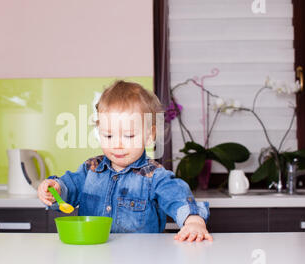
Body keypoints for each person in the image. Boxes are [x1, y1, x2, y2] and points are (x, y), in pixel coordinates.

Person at [37, 80, 213, 242]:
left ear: (149, 135)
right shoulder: (90, 169)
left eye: (128, 135)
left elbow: (177, 198)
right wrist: (56, 189)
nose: (117, 144)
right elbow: (69, 188)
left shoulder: (154, 176)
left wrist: (193, 221)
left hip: (140, 262)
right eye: (108, 135)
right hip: (96, 258)